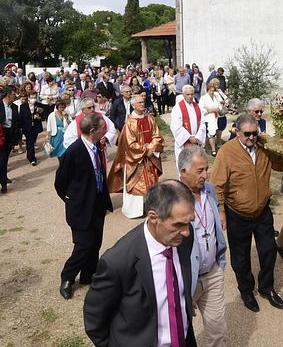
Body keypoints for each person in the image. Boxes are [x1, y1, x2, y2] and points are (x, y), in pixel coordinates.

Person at [84, 180, 198, 347]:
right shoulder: (117, 262)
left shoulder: (183, 238)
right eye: (179, 224)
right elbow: (95, 320)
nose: (187, 232)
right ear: (153, 217)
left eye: (189, 222)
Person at [211, 113, 283, 312]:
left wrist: (271, 145)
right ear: (237, 132)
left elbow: (282, 165)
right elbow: (217, 185)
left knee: (268, 251)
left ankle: (266, 288)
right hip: (237, 213)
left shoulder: (263, 148)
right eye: (247, 134)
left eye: (255, 133)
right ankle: (246, 290)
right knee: (240, 256)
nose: (252, 138)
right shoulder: (227, 152)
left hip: (262, 211)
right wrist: (221, 210)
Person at [54, 114, 113, 300]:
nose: (105, 131)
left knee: (95, 242)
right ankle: (67, 277)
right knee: (84, 245)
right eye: (102, 129)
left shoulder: (96, 147)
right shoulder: (73, 152)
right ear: (92, 131)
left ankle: (89, 275)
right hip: (80, 207)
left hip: (97, 203)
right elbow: (60, 183)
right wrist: (73, 200)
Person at [179, 146, 228, 347]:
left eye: (206, 169)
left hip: (212, 273)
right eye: (199, 171)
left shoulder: (209, 190)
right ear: (183, 172)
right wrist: (182, 287)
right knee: (180, 333)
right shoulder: (172, 197)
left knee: (217, 332)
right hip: (185, 280)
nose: (205, 175)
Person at [107, 93, 164, 207]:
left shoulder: (150, 118)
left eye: (143, 102)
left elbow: (157, 135)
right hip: (136, 160)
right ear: (133, 105)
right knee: (136, 184)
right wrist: (144, 150)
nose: (142, 104)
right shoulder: (129, 123)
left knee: (152, 181)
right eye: (139, 103)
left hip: (150, 157)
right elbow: (129, 143)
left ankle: (153, 205)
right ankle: (135, 209)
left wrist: (151, 148)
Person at [170, 85, 207, 171]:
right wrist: (189, 137)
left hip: (195, 141)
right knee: (184, 166)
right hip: (184, 143)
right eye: (187, 94)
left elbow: (202, 123)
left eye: (191, 94)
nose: (190, 96)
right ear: (183, 94)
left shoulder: (197, 107)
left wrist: (197, 137)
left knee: (195, 166)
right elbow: (176, 126)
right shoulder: (177, 108)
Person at [0, 86, 20, 193]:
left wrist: (16, 140)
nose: (15, 96)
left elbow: (17, 124)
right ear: (8, 95)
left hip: (9, 136)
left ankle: (3, 181)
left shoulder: (15, 107)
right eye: (13, 94)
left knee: (4, 159)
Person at [19, 92, 51, 166]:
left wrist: (39, 117)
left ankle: (29, 152)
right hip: (27, 127)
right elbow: (21, 117)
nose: (33, 99)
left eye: (34, 97)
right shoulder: (23, 106)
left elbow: (46, 109)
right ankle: (32, 158)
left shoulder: (38, 105)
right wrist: (20, 128)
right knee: (29, 141)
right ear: (28, 97)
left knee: (32, 141)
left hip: (35, 126)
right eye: (31, 97)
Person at [199, 80, 227, 156]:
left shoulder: (216, 97)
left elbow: (219, 107)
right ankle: (207, 148)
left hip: (215, 117)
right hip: (207, 118)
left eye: (213, 91)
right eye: (210, 91)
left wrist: (218, 108)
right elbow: (201, 109)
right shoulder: (203, 98)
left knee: (212, 133)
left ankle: (210, 148)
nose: (211, 92)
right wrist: (210, 110)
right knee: (208, 133)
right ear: (207, 90)